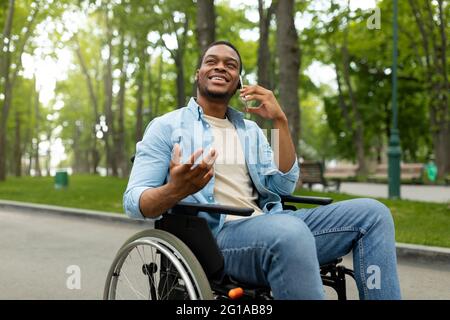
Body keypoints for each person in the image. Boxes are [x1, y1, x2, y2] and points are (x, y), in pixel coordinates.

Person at [124, 40, 401, 300]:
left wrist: (280, 121)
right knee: (288, 231)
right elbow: (134, 203)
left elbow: (283, 187)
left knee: (373, 214)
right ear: (199, 74)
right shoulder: (166, 127)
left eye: (230, 65)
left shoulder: (251, 132)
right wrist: (176, 189)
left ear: (239, 83)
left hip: (272, 223)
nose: (221, 67)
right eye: (212, 61)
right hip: (217, 240)